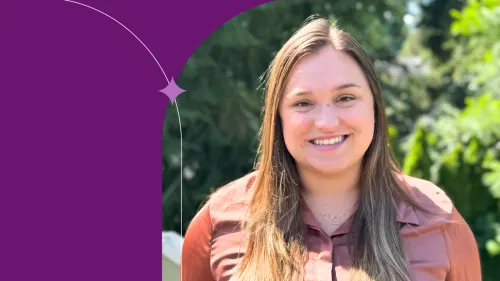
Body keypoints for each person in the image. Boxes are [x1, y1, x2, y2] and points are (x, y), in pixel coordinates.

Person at [180, 15, 482, 281]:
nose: (326, 122)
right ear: (278, 117)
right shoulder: (218, 222)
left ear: (374, 107)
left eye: (346, 98)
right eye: (303, 103)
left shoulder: (438, 221)